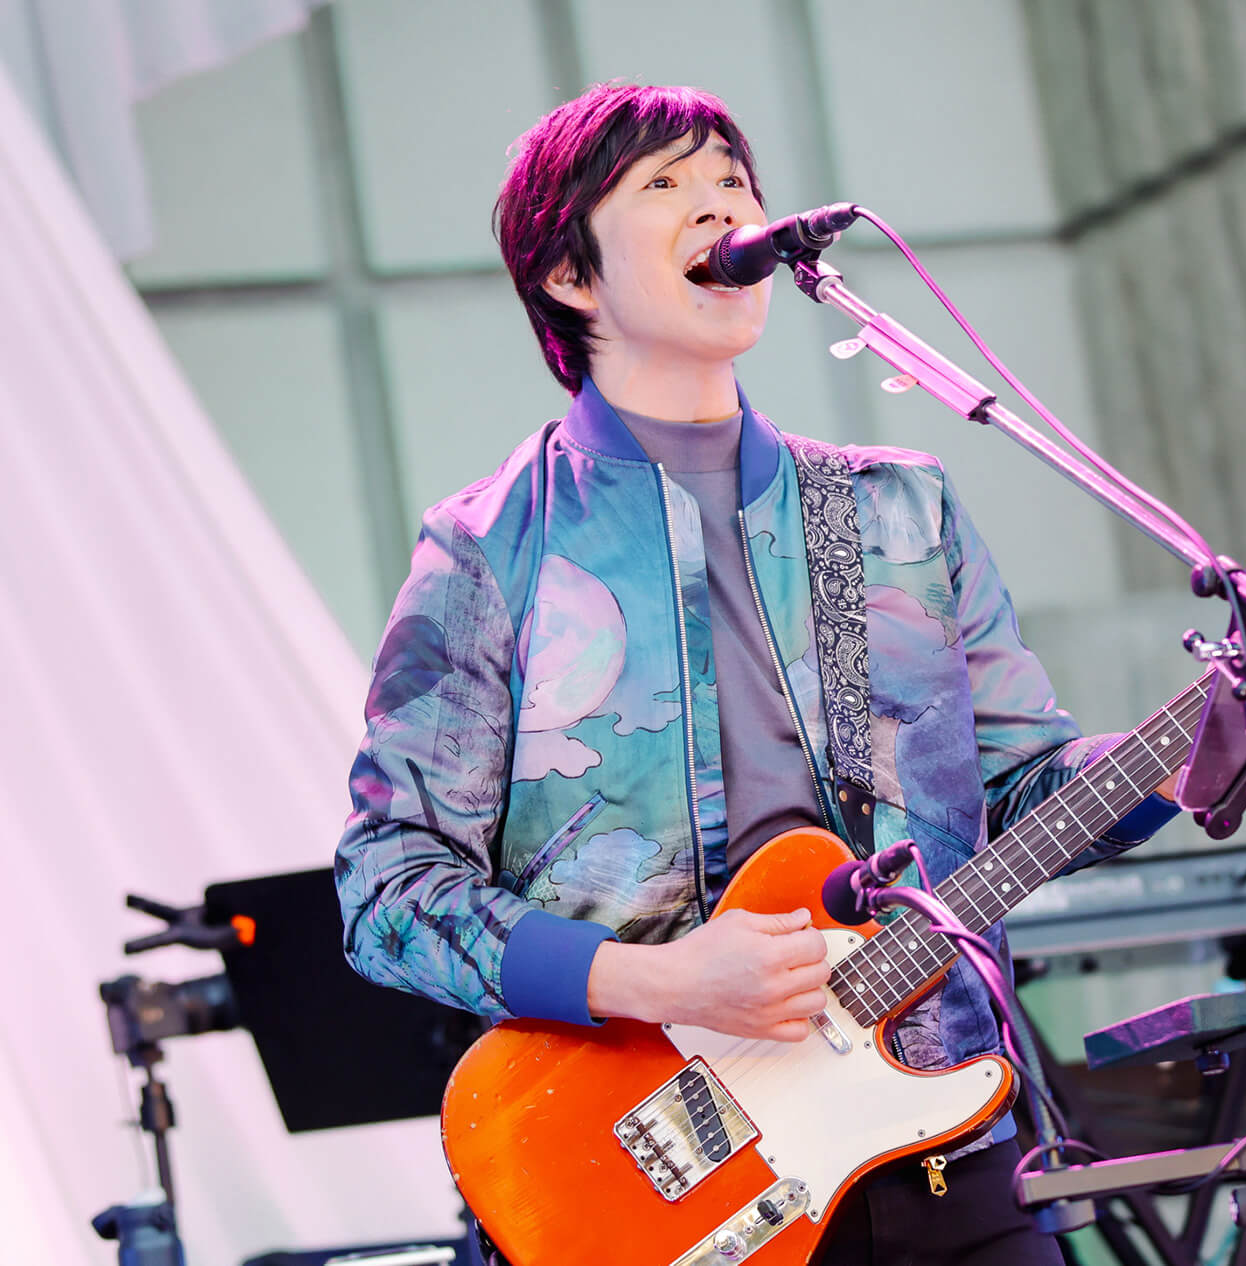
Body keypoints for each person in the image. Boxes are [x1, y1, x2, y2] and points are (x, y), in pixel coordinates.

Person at [334, 82, 1177, 1266]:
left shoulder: (896, 510)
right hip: (657, 1178)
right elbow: (386, 889)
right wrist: (656, 979)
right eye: (663, 184)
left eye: (730, 179)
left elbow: (1019, 788)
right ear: (569, 275)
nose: (719, 204)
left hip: (937, 1137)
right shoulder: (489, 549)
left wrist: (1180, 759)